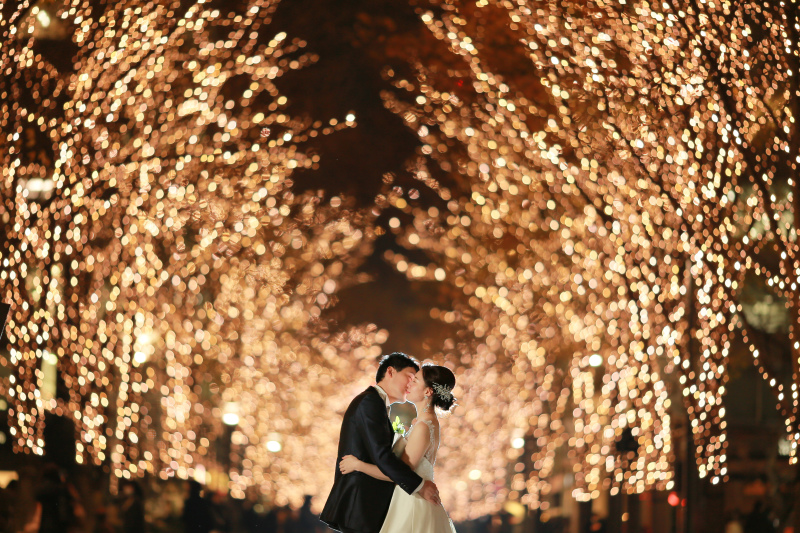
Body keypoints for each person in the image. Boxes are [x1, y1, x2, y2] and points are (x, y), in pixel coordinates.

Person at [319, 352, 441, 533]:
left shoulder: (376, 403)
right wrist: (420, 486)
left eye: (414, 380)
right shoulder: (370, 401)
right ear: (390, 372)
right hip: (360, 505)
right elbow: (382, 457)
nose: (410, 384)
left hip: (367, 506)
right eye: (409, 377)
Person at [339, 364, 457, 533]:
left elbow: (399, 473)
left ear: (428, 391)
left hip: (412, 505)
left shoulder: (423, 427)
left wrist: (357, 465)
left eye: (415, 380)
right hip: (409, 500)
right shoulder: (423, 423)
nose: (409, 384)